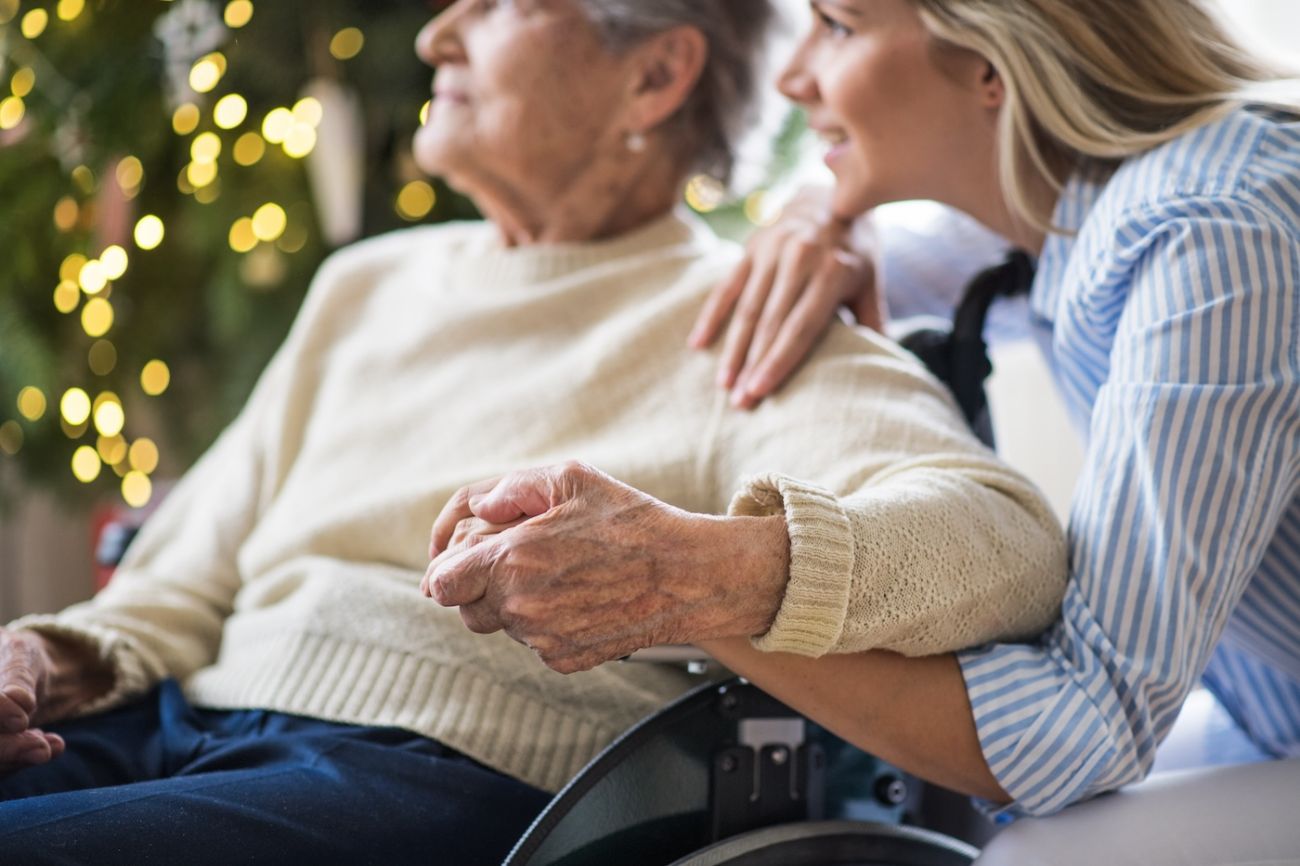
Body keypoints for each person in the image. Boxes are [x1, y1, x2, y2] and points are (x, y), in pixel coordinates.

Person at [0, 1, 1068, 863]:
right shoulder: (365, 284)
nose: (435, 34)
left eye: (504, 3)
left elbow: (1005, 541)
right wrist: (40, 657)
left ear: (654, 76)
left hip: (433, 775)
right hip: (170, 724)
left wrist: (694, 570)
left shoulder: (747, 318)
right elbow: (175, 583)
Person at [426, 0, 1300, 860]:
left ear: (991, 62)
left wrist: (680, 584)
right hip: (1265, 717)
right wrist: (823, 213)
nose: (792, 73)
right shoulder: (1067, 206)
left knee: (1044, 854)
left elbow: (1087, 722)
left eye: (838, 25)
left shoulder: (1209, 239)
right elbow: (874, 248)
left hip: (1255, 728)